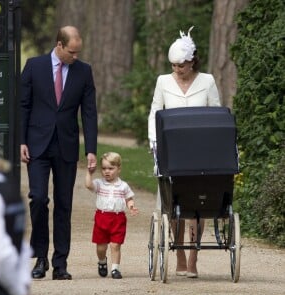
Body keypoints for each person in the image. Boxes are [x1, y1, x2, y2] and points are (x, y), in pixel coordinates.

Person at [20, 25, 98, 280]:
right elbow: (23, 105)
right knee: (39, 198)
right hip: (37, 144)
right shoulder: (34, 65)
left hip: (66, 145)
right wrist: (21, 141)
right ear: (59, 45)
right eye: (72, 52)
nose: (75, 57)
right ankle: (40, 257)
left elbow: (88, 112)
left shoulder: (83, 71)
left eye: (78, 53)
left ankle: (60, 264)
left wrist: (91, 150)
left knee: (64, 205)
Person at [148, 26, 221, 278]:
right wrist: (153, 141)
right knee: (174, 204)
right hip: (172, 150)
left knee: (197, 204)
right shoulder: (163, 82)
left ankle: (193, 257)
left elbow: (216, 114)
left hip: (201, 151)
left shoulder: (207, 81)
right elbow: (155, 112)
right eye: (173, 65)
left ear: (192, 61)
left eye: (181, 65)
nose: (176, 70)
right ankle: (178, 254)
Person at [0, 100, 33, 295]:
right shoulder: (7, 186)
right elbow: (18, 248)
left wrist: (17, 291)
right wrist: (21, 288)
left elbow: (3, 254)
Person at [85, 152, 139, 279]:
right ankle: (102, 261)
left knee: (115, 245)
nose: (107, 171)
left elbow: (129, 198)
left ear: (118, 169)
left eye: (110, 168)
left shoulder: (123, 186)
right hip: (102, 218)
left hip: (118, 218)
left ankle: (115, 269)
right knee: (101, 247)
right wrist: (89, 173)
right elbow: (88, 185)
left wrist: (131, 206)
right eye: (104, 168)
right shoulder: (99, 183)